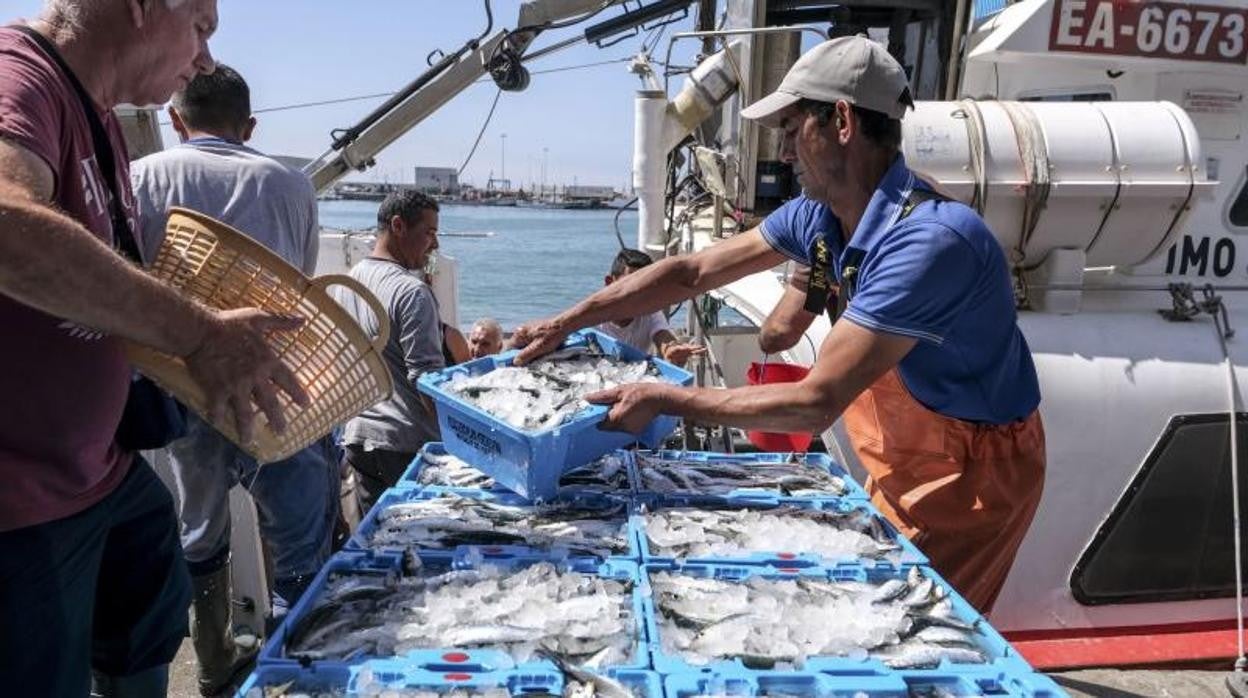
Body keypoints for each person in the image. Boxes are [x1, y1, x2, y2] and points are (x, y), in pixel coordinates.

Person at [514, 36, 1045, 613]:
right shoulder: (820, 215)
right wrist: (567, 320)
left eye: (792, 129)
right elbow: (690, 271)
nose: (785, 151)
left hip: (969, 476)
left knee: (910, 622)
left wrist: (664, 399)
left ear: (841, 121)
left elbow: (816, 402)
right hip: (900, 451)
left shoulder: (930, 241)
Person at [0, 2, 310, 696]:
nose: (203, 58)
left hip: (101, 470)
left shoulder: (102, 118)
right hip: (24, 496)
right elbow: (6, 223)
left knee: (153, 611)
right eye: (200, 26)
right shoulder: (18, 78)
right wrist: (199, 333)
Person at [130, 64, 338, 696]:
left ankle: (216, 661)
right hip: (272, 383)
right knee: (298, 535)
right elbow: (299, 279)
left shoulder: (143, 176)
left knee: (200, 525)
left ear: (174, 120)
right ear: (249, 127)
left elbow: (135, 275)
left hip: (183, 382)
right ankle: (289, 666)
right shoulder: (291, 185)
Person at [335, 190, 446, 514]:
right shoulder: (412, 291)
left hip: (359, 439)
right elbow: (427, 380)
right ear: (398, 226)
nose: (434, 245)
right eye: (429, 233)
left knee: (378, 541)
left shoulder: (347, 282)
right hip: (406, 445)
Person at [596, 249, 705, 366]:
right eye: (630, 284)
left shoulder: (649, 312)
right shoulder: (592, 316)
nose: (638, 293)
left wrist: (671, 349)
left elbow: (662, 335)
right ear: (609, 282)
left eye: (645, 286)